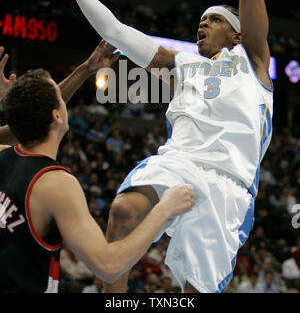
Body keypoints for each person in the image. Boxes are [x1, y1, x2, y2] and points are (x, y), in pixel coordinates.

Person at [31, 0, 273, 293]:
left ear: (237, 33)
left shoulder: (255, 61)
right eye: (200, 20)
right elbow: (115, 31)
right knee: (123, 212)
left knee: (194, 291)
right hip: (179, 162)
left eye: (213, 20)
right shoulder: (182, 63)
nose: (203, 24)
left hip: (229, 185)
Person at [0, 47, 195, 293]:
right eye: (61, 99)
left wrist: (16, 105)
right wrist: (164, 209)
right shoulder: (55, 183)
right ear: (57, 115)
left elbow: (25, 120)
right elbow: (108, 266)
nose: (65, 100)